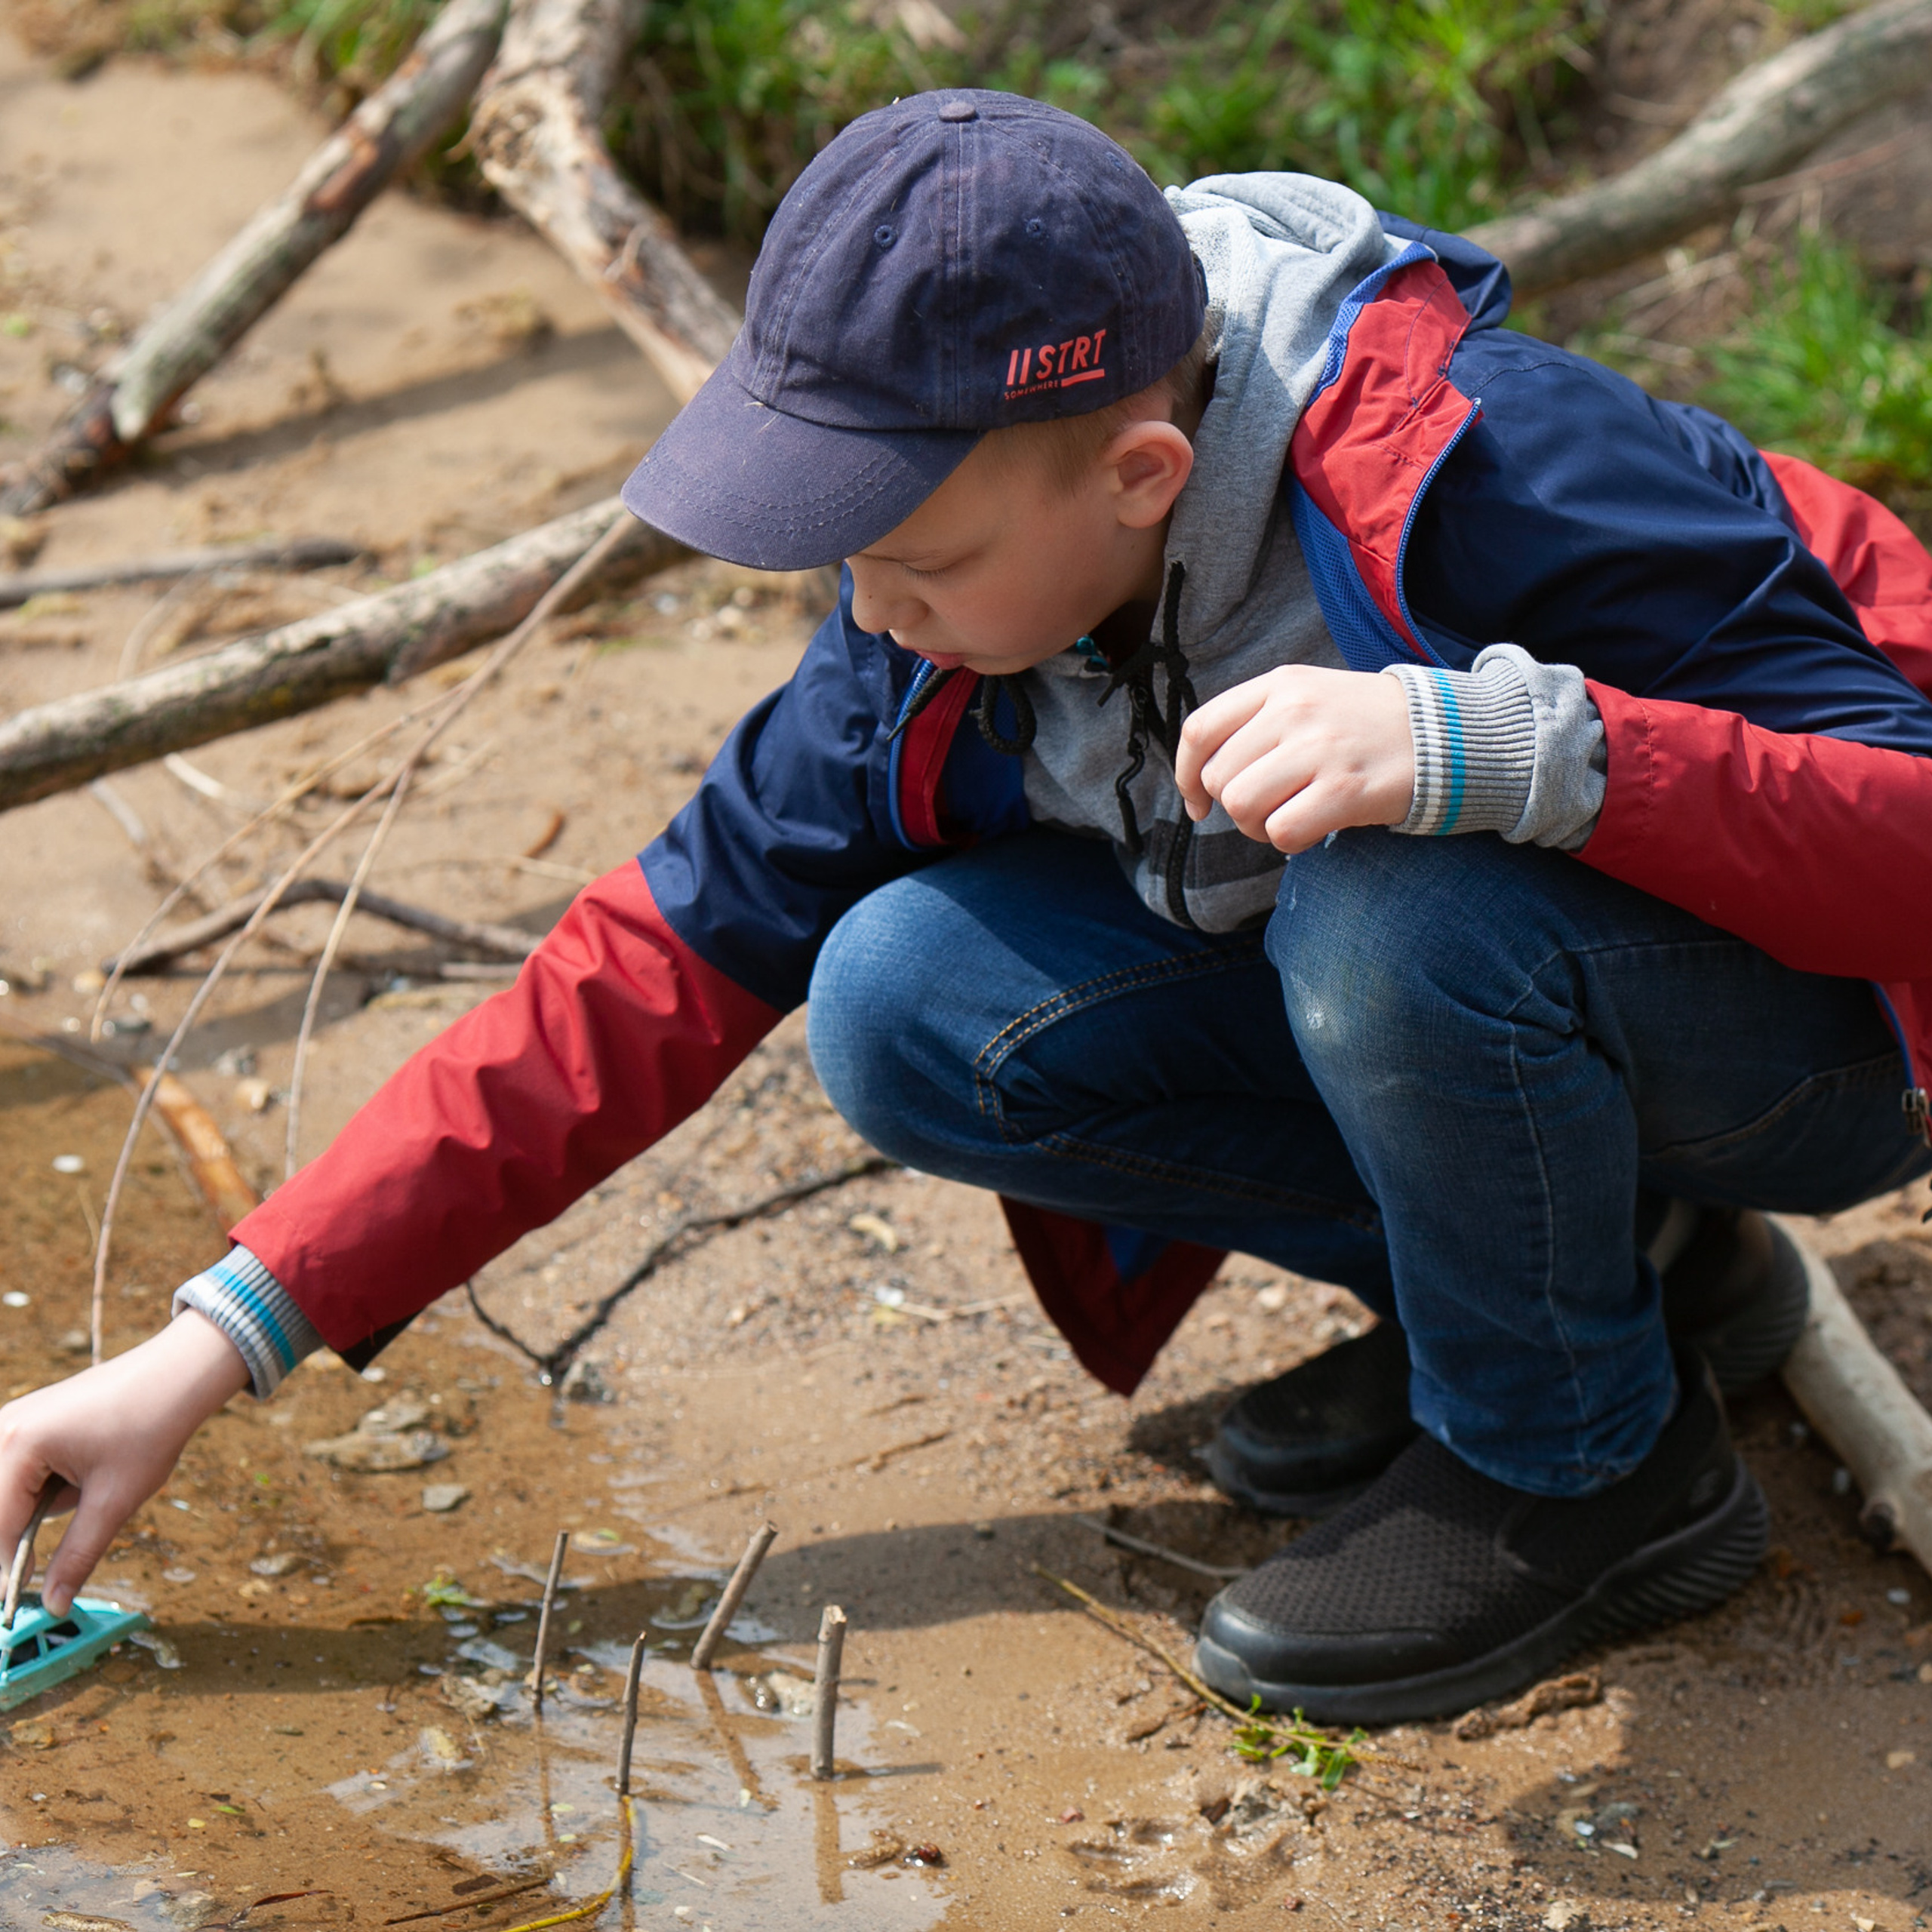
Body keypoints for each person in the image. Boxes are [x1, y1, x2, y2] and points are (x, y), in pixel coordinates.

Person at [4, 91, 1930, 1725]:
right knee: (902, 995)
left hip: (1817, 1016)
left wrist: (1504, 745)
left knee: (1390, 912)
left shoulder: (1485, 470)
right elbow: (643, 969)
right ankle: (1614, 1284)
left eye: (908, 559)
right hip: (1558, 1008)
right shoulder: (936, 616)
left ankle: (1579, 1463)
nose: (866, 613)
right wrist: (209, 1344)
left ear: (1138, 473)